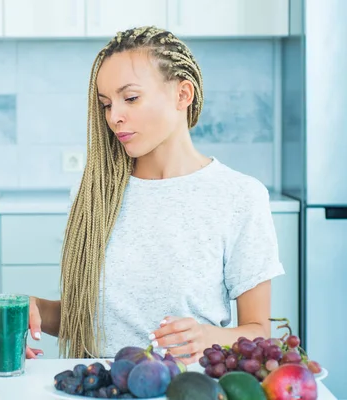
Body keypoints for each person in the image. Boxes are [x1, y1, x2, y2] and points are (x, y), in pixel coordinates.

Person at [26, 25, 285, 364]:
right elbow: (90, 323)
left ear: (182, 95)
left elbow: (258, 331)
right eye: (106, 104)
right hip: (100, 387)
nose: (114, 116)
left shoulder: (239, 196)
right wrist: (32, 310)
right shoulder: (94, 194)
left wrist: (209, 337)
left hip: (188, 387)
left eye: (130, 98)